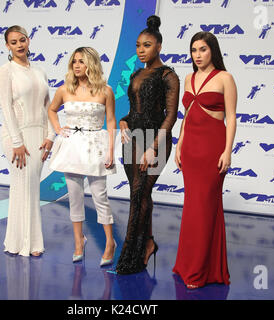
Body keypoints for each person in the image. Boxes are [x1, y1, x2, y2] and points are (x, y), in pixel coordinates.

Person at [115, 15, 180, 275]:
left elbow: (171, 115)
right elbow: (133, 112)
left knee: (138, 193)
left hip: (156, 140)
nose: (142, 50)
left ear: (159, 47)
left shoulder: (168, 75)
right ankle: (148, 243)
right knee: (140, 194)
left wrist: (153, 146)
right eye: (139, 45)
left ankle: (130, 253)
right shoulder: (136, 73)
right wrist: (122, 122)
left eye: (148, 45)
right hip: (133, 140)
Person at [173, 31, 237, 288]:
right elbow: (186, 115)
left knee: (205, 207)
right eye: (194, 50)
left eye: (203, 50)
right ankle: (187, 264)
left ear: (213, 51)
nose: (197, 55)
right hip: (190, 149)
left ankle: (200, 271)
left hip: (213, 149)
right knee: (191, 207)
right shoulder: (188, 77)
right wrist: (179, 144)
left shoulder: (225, 78)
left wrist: (227, 151)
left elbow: (231, 117)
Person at [48, 47, 117, 266]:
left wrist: (111, 151)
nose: (77, 65)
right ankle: (79, 241)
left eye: (82, 61)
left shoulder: (106, 91)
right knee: (74, 197)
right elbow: (51, 110)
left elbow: (112, 121)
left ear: (92, 64)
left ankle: (110, 243)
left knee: (100, 197)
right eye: (74, 61)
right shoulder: (64, 90)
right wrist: (59, 128)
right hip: (72, 147)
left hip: (96, 146)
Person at [0, 25, 55, 257]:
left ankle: (29, 242)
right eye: (14, 42)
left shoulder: (40, 71)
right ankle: (20, 243)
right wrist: (16, 141)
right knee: (22, 186)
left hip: (39, 136)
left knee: (32, 188)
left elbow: (48, 106)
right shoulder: (6, 70)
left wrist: (50, 136)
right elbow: (6, 108)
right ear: (7, 46)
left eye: (22, 40)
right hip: (17, 136)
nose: (19, 45)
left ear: (28, 40)